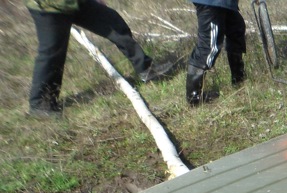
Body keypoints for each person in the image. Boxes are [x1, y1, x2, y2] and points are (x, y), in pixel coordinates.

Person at [25, 0, 169, 118]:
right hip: (50, 7)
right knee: (53, 52)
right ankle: (40, 104)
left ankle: (146, 68)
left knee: (112, 22)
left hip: (76, 3)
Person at [186, 0, 246, 107]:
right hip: (212, 3)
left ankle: (238, 80)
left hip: (225, 3)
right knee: (209, 47)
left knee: (236, 28)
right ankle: (194, 96)